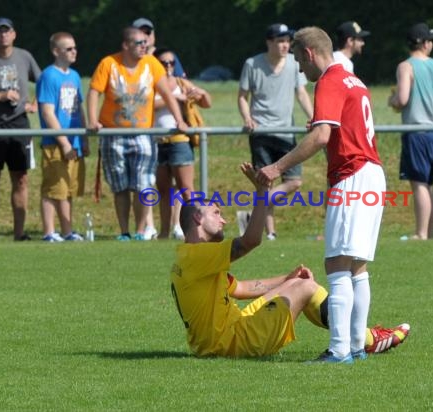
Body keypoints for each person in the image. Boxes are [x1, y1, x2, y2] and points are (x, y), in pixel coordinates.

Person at [256, 26, 409, 363]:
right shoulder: (355, 80)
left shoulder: (329, 80)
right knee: (357, 267)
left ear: (309, 53)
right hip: (371, 172)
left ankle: (340, 350)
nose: (299, 67)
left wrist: (276, 168)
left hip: (353, 174)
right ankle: (355, 346)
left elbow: (321, 135)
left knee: (337, 264)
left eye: (298, 59)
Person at [171, 162, 409, 360]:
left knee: (299, 284)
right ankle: (365, 340)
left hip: (230, 333)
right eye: (216, 213)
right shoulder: (197, 255)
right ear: (197, 217)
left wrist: (287, 279)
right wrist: (262, 192)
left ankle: (363, 337)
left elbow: (241, 288)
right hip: (233, 343)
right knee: (306, 288)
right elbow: (250, 240)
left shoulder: (191, 257)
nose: (223, 220)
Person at [86, 27, 188, 241]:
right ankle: (124, 231)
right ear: (126, 45)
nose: (144, 46)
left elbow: (166, 93)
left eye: (145, 42)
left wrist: (179, 120)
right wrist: (93, 120)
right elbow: (94, 91)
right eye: (139, 43)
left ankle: (141, 231)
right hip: (113, 133)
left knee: (143, 185)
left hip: (143, 133)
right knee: (120, 186)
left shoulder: (151, 64)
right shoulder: (109, 64)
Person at [238, 23, 313, 240]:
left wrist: (314, 116)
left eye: (287, 41)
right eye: (280, 41)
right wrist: (247, 118)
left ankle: (253, 215)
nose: (285, 45)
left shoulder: (293, 63)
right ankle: (270, 232)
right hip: (261, 133)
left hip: (286, 132)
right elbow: (242, 96)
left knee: (294, 181)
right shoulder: (252, 64)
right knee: (264, 182)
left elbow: (301, 93)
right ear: (269, 42)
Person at [388, 22, 433, 240]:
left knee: (419, 184)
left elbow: (402, 99)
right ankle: (429, 233)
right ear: (424, 43)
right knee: (429, 184)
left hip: (416, 131)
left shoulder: (406, 66)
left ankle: (420, 233)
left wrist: (392, 100)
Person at [153, 47, 211, 239]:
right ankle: (164, 231)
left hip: (180, 142)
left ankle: (194, 230)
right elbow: (148, 105)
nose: (168, 66)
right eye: (163, 63)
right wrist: (174, 98)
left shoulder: (180, 82)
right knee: (163, 190)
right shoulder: (152, 83)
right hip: (158, 142)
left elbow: (206, 103)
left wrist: (200, 92)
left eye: (171, 62)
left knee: (186, 190)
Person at [0, 17, 41, 242]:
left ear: (14, 34)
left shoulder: (24, 57)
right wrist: (0, 96)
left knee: (20, 179)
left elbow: (43, 82)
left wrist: (35, 104)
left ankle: (19, 233)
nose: (3, 35)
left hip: (19, 125)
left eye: (7, 31)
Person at [37, 32, 89, 242]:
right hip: (55, 143)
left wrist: (83, 139)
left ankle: (67, 231)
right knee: (53, 188)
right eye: (69, 49)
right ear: (56, 51)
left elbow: (80, 108)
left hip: (74, 141)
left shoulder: (75, 76)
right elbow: (47, 112)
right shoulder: (49, 75)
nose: (74, 52)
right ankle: (49, 232)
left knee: (67, 189)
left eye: (75, 48)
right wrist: (64, 142)